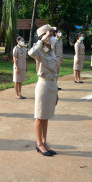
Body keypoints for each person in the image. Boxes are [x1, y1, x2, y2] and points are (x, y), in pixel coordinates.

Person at [28, 24, 58, 157]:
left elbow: (55, 71)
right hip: (43, 85)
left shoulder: (51, 50)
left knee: (46, 117)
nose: (52, 37)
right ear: (43, 36)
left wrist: (56, 91)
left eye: (52, 34)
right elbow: (31, 53)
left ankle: (45, 142)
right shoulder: (39, 50)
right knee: (40, 116)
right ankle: (39, 144)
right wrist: (41, 40)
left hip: (52, 84)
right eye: (49, 35)